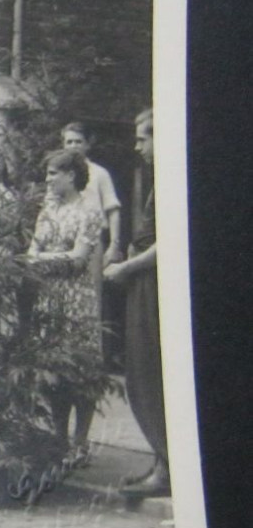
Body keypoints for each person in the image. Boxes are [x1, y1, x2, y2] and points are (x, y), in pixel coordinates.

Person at [26, 148, 106, 463]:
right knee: (53, 372)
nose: (47, 180)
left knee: (80, 371)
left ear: (71, 176)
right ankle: (59, 438)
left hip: (77, 299)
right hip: (50, 298)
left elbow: (78, 261)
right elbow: (31, 253)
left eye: (53, 174)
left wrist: (45, 258)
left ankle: (80, 442)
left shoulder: (89, 211)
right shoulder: (47, 210)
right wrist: (49, 258)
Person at [105, 109, 167, 498]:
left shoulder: (176, 178)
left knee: (153, 368)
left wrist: (128, 266)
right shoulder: (155, 180)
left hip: (154, 282)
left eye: (143, 138)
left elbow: (172, 240)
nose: (137, 146)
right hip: (143, 282)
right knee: (141, 371)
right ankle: (161, 458)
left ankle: (166, 467)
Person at [61, 122, 124, 264]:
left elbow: (113, 210)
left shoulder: (99, 173)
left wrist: (114, 245)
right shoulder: (58, 175)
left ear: (87, 145)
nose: (73, 146)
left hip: (93, 239)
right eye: (69, 142)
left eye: (78, 142)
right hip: (63, 239)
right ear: (63, 146)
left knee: (92, 284)